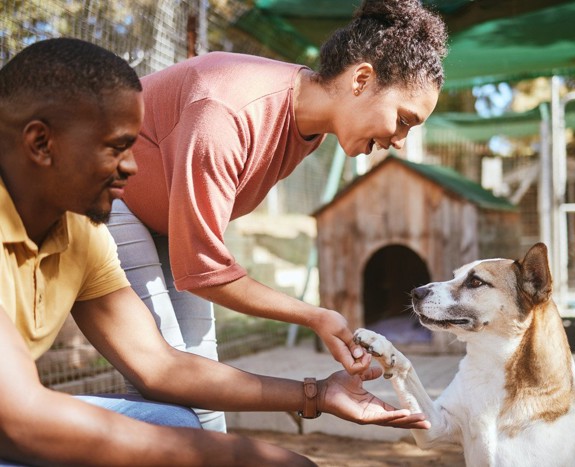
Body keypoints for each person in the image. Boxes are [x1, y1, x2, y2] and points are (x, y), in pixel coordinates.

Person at [0, 37, 430, 466]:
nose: (132, 166)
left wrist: (316, 394)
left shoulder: (80, 235)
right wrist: (241, 457)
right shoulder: (225, 109)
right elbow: (22, 423)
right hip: (15, 425)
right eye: (117, 148)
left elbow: (160, 367)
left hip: (158, 227)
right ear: (41, 143)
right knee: (176, 434)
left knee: (177, 418)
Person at [109, 0, 449, 431]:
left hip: (163, 224)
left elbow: (198, 263)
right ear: (361, 79)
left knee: (201, 384)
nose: (400, 140)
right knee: (168, 384)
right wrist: (314, 315)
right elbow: (202, 270)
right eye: (403, 120)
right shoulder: (226, 111)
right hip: (110, 199)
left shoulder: (310, 126)